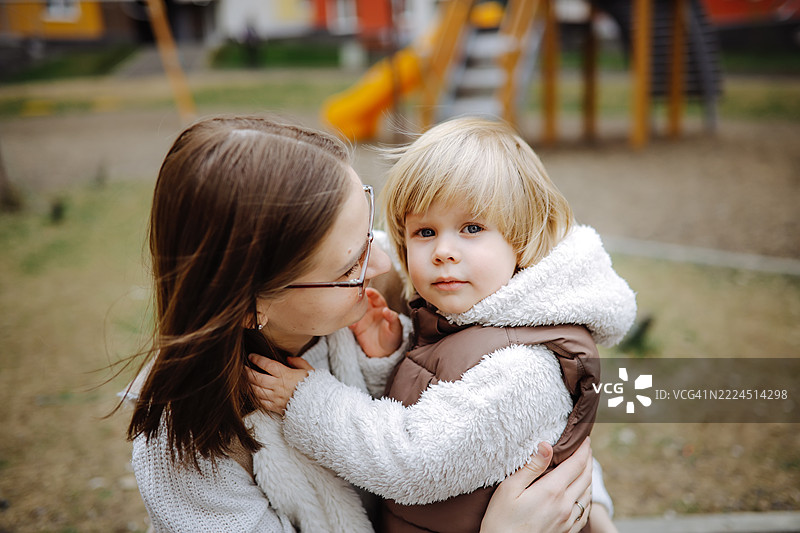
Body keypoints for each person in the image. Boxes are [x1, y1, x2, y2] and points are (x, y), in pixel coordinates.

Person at [123, 115, 598, 532]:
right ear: (248, 307)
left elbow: (523, 419)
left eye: (369, 225)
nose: (382, 264)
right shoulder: (185, 450)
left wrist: (593, 509)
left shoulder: (417, 285)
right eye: (348, 267)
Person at [248, 117, 636, 532]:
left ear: (522, 239)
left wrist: (306, 402)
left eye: (472, 228)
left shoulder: (524, 367)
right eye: (425, 231)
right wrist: (392, 356)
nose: (444, 251)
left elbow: (415, 462)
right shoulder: (457, 319)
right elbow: (440, 412)